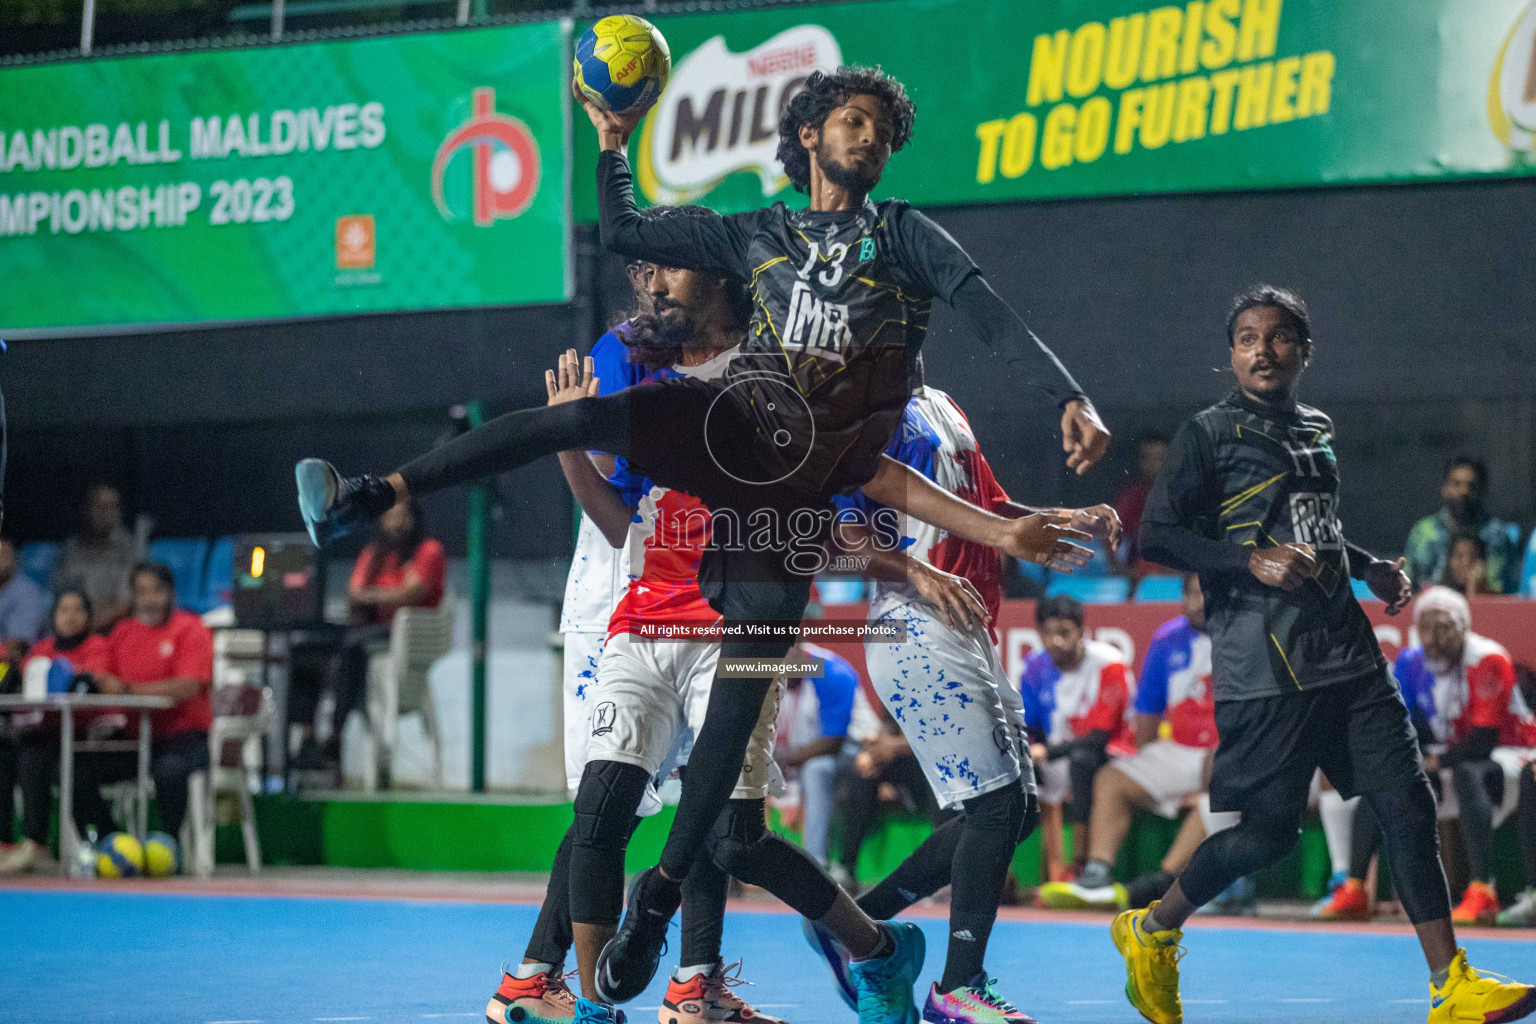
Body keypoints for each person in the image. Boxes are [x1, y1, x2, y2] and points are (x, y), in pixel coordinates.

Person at [297, 64, 1112, 1024]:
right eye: (851, 120)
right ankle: (368, 492)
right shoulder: (751, 235)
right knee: (571, 421)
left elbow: (986, 317)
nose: (869, 138)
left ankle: (659, 905)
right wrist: (611, 136)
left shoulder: (903, 239)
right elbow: (627, 230)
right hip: (736, 426)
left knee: (743, 696)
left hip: (804, 484)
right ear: (808, 134)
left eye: (883, 129)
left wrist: (1066, 396)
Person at [1113, 285, 1534, 1024]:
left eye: (1279, 337)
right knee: (1267, 836)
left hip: (1347, 649)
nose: (1263, 349)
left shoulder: (1316, 426)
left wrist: (1367, 564)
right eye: (1247, 337)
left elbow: (1318, 527)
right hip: (1265, 660)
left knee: (1408, 800)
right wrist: (1251, 562)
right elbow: (1157, 538)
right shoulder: (1208, 434)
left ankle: (1451, 983)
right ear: (1232, 354)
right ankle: (1152, 928)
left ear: (1304, 350)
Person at [491, 264, 848, 1024]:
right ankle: (577, 988)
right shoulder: (633, 347)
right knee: (611, 804)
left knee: (696, 796)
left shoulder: (741, 360)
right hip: (628, 584)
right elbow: (621, 482)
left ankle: (681, 982)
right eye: (648, 266)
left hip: (693, 588)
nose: (660, 279)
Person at [806, 376, 1120, 1023]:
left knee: (1016, 812)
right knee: (996, 806)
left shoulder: (943, 403)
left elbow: (989, 507)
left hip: (969, 627)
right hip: (915, 621)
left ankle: (855, 925)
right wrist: (919, 570)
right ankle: (959, 987)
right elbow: (846, 535)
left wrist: (1060, 518)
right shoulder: (855, 412)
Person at [1322, 586, 1536, 925]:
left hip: (1510, 755)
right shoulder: (1410, 661)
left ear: (1463, 626)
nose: (1433, 638)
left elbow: (1484, 739)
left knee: (1467, 771)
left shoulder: (1488, 658)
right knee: (1385, 778)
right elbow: (1406, 725)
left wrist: (1433, 762)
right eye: (1425, 627)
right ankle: (1355, 887)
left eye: (1443, 627)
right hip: (1450, 759)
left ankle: (1483, 890)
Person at [1038, 574, 1231, 912]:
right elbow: (1148, 716)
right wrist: (1151, 773)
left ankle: (1167, 880)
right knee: (1111, 780)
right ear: (1183, 599)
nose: (1199, 602)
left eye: (1206, 594)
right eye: (1193, 595)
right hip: (1181, 751)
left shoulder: (1239, 635)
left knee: (1218, 784)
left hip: (1229, 751)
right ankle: (1096, 874)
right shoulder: (1167, 638)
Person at [290, 498, 445, 773]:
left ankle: (335, 739)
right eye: (391, 517)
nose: (397, 524)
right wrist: (385, 597)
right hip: (366, 628)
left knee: (352, 647)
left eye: (403, 517)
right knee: (307, 643)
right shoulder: (375, 554)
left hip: (399, 636)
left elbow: (413, 592)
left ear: (415, 519)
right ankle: (308, 737)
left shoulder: (428, 551)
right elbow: (355, 591)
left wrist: (374, 597)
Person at [73, 562, 212, 842]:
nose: (149, 600)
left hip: (185, 740)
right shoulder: (123, 632)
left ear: (170, 593)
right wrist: (95, 677)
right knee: (76, 770)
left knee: (167, 771)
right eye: (141, 592)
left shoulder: (191, 628)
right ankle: (112, 842)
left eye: (156, 591)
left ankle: (172, 846)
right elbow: (101, 675)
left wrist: (125, 690)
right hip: (135, 740)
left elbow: (186, 687)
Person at [1018, 595, 1132, 883]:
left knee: (1081, 762)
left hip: (1110, 755)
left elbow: (1100, 737)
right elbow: (1028, 724)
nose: (1055, 641)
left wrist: (1047, 753)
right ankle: (1022, 874)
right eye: (1047, 633)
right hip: (1054, 756)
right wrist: (1033, 751)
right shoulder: (1034, 665)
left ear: (1081, 631)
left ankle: (1082, 864)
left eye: (1064, 632)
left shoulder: (1110, 663)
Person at [0, 589, 109, 874]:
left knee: (37, 758)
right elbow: (25, 681)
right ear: (54, 615)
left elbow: (94, 684)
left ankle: (39, 842)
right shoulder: (43, 648)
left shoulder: (97, 646)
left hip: (86, 738)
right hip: (45, 733)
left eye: (77, 610)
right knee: (9, 755)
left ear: (88, 616)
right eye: (63, 610)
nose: (70, 617)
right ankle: (11, 843)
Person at [773, 640, 876, 870]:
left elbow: (833, 742)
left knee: (816, 769)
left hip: (858, 749)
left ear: (797, 650)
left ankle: (814, 863)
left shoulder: (829, 670)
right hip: (808, 752)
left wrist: (782, 761)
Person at [1404, 457, 1522, 595]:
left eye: (1471, 486)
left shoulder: (1496, 533)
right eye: (1456, 484)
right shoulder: (1424, 531)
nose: (1464, 491)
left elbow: (1506, 590)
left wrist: (1481, 584)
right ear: (1445, 488)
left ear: (1481, 490)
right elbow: (1408, 582)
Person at [53, 483, 137, 632]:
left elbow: (124, 603)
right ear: (85, 510)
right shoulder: (71, 548)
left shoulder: (128, 549)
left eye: (112, 507)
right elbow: (58, 596)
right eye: (100, 506)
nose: (106, 514)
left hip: (111, 632)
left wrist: (84, 629)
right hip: (71, 627)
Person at [1110, 433, 1170, 572]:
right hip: (1143, 576)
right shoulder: (1134, 494)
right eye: (1147, 458)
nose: (1153, 464)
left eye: (1160, 458)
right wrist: (1119, 570)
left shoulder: (1189, 492)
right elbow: (1110, 533)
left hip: (1184, 578)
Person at [0, 537, 48, 652]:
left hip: (11, 665)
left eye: (4, 556)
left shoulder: (27, 593)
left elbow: (16, 647)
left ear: (15, 558)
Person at [1443, 534, 1491, 598]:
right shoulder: (1439, 595)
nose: (1465, 562)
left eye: (1472, 557)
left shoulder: (1492, 597)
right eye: (1459, 556)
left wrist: (1472, 585)